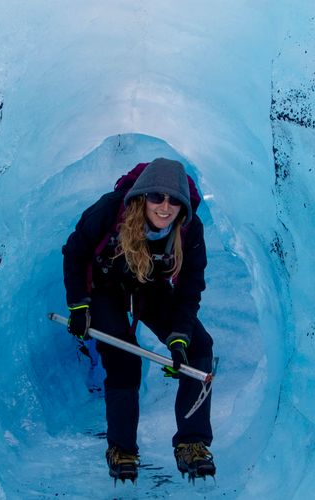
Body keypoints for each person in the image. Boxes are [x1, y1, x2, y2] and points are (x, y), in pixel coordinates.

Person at [62, 157, 216, 482]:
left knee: (199, 346)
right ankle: (122, 450)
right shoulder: (111, 209)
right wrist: (79, 306)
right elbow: (76, 251)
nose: (165, 206)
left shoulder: (189, 229)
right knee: (123, 357)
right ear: (142, 195)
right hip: (105, 288)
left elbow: (190, 288)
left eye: (174, 200)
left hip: (150, 287)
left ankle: (192, 443)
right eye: (157, 197)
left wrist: (179, 338)